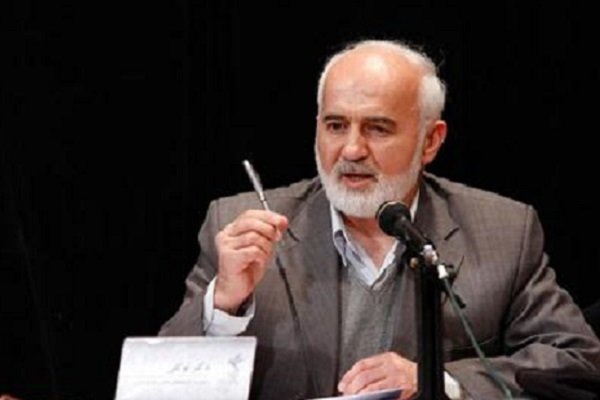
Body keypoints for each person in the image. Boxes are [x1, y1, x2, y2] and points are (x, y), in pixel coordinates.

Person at [159, 39, 600, 399]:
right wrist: (223, 304)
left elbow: (576, 361)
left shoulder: (503, 231)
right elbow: (160, 384)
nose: (352, 149)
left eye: (377, 128)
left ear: (430, 141)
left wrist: (438, 382)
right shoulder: (239, 223)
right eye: (336, 126)